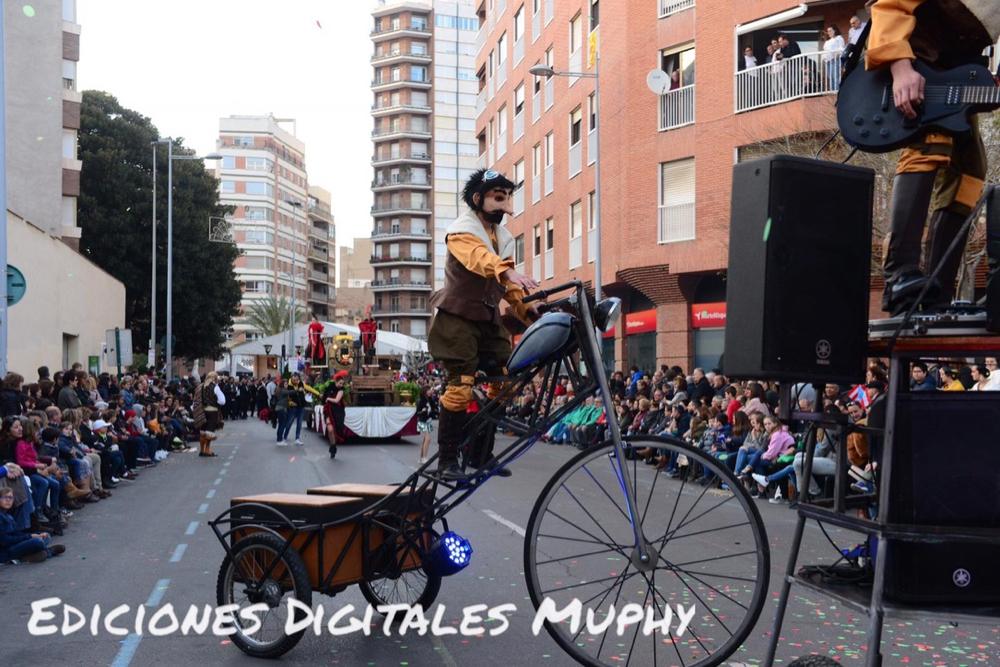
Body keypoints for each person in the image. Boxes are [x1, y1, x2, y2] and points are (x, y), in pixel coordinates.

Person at [867, 0, 998, 314]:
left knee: (971, 172)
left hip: (953, 70)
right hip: (916, 62)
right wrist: (900, 67)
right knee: (931, 145)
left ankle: (936, 291)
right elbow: (891, 5)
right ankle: (899, 274)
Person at [427, 168, 540, 480]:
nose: (506, 206)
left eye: (508, 198)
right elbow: (478, 258)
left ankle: (480, 453)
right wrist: (506, 271)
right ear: (478, 199)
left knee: (505, 381)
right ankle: (447, 462)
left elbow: (510, 286)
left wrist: (530, 310)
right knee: (460, 386)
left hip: (488, 321)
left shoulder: (502, 238)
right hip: (458, 319)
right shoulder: (462, 231)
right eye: (499, 198)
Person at [0, 486, 65, 563]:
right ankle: (49, 551)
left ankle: (30, 556)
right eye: (5, 497)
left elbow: (16, 533)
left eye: (10, 498)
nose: (8, 500)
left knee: (46, 536)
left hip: (13, 545)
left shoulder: (8, 516)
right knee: (37, 542)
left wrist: (34, 535)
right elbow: (4, 541)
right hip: (6, 551)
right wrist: (29, 537)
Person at [192, 371, 224, 457]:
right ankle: (207, 450)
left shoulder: (200, 387)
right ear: (214, 378)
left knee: (203, 432)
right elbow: (222, 401)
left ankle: (202, 450)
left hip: (202, 411)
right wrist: (216, 402)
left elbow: (196, 400)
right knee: (209, 432)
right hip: (213, 411)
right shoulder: (215, 387)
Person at [322, 371, 348, 459]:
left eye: (342, 383)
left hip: (338, 411)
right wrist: (324, 398)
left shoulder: (341, 391)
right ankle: (332, 445)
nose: (341, 385)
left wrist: (328, 398)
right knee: (330, 429)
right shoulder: (329, 387)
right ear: (336, 382)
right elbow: (324, 399)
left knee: (336, 430)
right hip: (328, 410)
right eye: (340, 383)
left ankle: (333, 446)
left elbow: (336, 401)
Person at [416, 385, 434, 465]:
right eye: (429, 390)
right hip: (422, 421)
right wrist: (422, 411)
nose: (430, 391)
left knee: (425, 440)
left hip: (428, 421)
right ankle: (424, 458)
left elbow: (433, 408)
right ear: (425, 391)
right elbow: (417, 412)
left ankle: (421, 458)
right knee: (428, 439)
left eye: (430, 389)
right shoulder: (421, 400)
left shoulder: (429, 399)